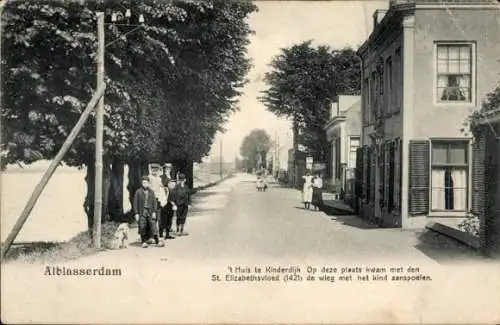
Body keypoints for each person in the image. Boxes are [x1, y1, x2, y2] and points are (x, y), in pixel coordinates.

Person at [133, 176, 161, 248]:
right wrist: (136, 213)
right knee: (142, 226)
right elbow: (135, 203)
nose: (144, 184)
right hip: (142, 211)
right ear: (142, 183)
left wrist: (154, 211)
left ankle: (157, 241)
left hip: (150, 211)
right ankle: (144, 242)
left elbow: (154, 202)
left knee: (153, 225)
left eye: (146, 182)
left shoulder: (151, 192)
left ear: (148, 183)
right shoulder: (138, 192)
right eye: (143, 183)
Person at [149, 164, 167, 245]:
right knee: (152, 219)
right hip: (151, 200)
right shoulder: (149, 178)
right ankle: (152, 236)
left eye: (156, 170)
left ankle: (159, 236)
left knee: (159, 218)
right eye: (153, 170)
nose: (155, 171)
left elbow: (161, 189)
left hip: (158, 200)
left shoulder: (159, 179)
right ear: (151, 170)